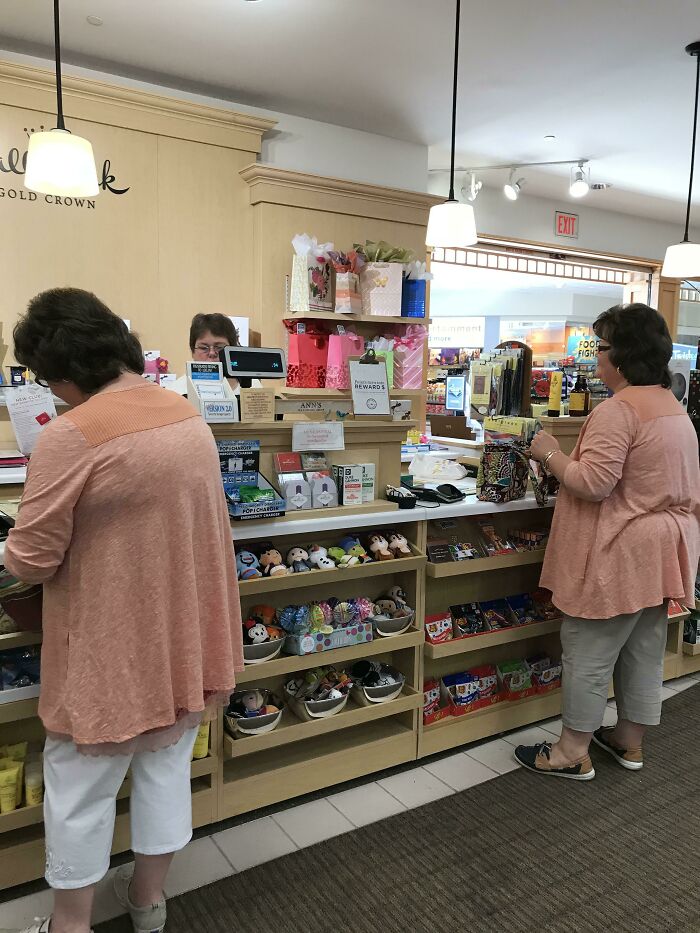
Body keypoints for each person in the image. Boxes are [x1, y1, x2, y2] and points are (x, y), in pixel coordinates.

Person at [3, 288, 243, 933]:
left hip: (109, 647)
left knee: (80, 791)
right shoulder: (185, 413)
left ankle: (70, 925)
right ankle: (148, 901)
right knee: (165, 773)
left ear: (61, 372)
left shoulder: (72, 436)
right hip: (184, 637)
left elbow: (30, 560)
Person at [515, 303, 700, 781]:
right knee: (643, 650)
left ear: (623, 355)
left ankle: (570, 752)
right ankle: (628, 741)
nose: (595, 355)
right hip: (663, 549)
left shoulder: (619, 411)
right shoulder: (672, 407)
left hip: (619, 550)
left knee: (589, 652)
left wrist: (549, 453)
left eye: (601, 346)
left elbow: (593, 483)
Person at [172, 313, 261, 394]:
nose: (212, 353)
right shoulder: (176, 391)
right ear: (193, 351)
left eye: (219, 347)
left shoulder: (253, 385)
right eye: (203, 348)